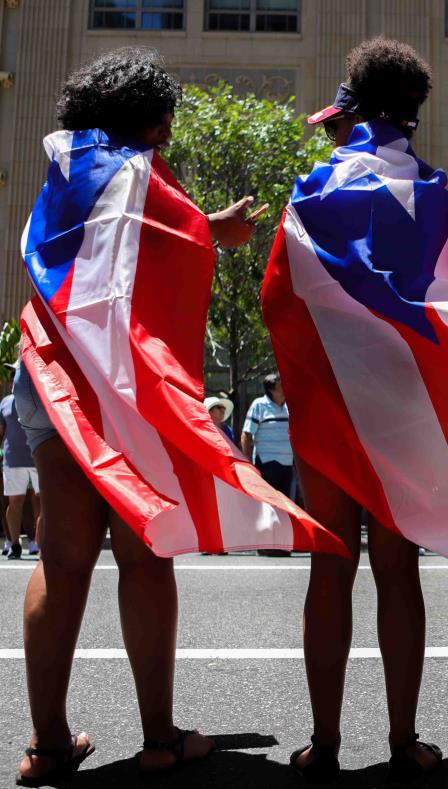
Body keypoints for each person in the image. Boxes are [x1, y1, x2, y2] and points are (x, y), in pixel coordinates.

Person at [12, 48, 259, 786]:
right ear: (151, 120)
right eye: (167, 122)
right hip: (120, 380)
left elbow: (120, 244)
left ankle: (48, 745)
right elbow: (171, 247)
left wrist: (201, 223)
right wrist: (223, 230)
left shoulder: (67, 166)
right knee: (145, 555)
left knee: (61, 557)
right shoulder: (141, 170)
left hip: (50, 369)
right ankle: (159, 737)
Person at [279, 38, 442, 786]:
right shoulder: (435, 193)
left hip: (329, 397)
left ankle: (324, 742)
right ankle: (405, 739)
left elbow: (280, 295)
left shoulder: (315, 188)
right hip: (403, 403)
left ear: (355, 109)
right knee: (399, 567)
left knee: (330, 564)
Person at [241, 374, 293, 556]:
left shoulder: (289, 407)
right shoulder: (258, 405)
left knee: (284, 505)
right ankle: (264, 545)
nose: (285, 386)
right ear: (272, 388)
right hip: (267, 461)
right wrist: (248, 463)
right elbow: (247, 434)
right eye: (281, 383)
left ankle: (281, 545)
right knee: (267, 505)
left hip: (288, 463)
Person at [1, 373, 41, 560]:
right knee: (14, 503)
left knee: (40, 502)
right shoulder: (4, 402)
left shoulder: (40, 396)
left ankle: (39, 543)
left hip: (39, 458)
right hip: (13, 460)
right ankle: (15, 545)